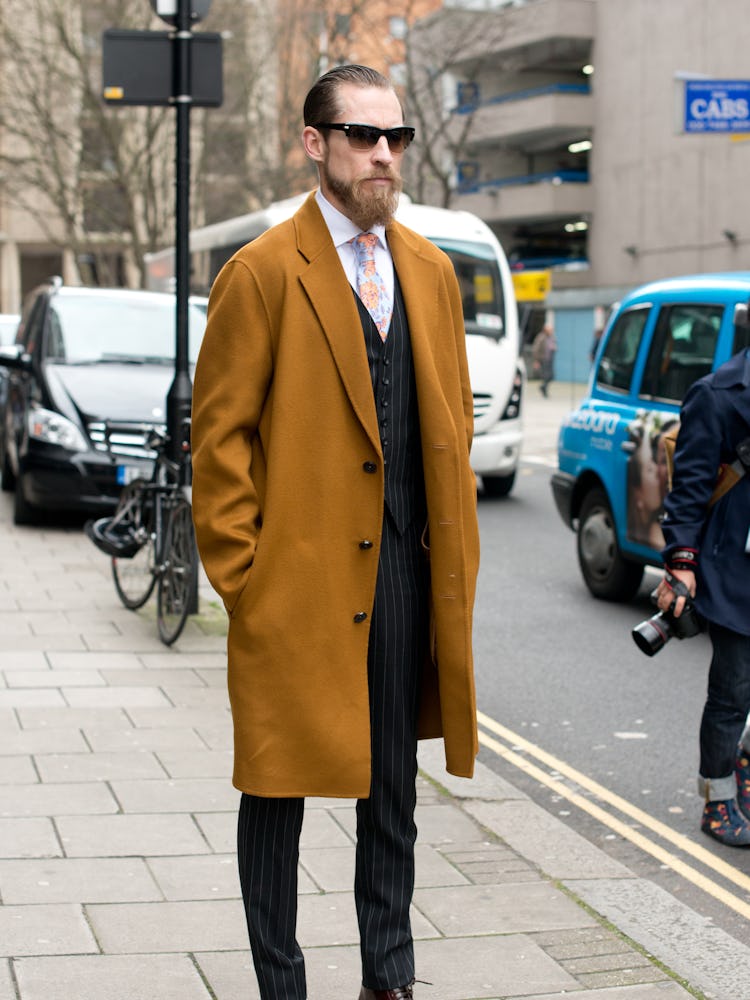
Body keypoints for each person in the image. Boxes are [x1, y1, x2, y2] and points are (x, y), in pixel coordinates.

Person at [190, 64, 480, 999]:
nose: (383, 155)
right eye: (362, 136)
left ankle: (386, 978)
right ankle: (282, 982)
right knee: (277, 792)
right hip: (298, 581)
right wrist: (248, 579)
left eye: (396, 138)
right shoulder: (264, 272)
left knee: (392, 792)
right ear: (316, 145)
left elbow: (453, 425)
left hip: (403, 574)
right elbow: (220, 442)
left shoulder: (432, 273)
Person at [655, 346, 750, 847]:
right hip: (736, 569)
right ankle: (718, 800)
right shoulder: (715, 396)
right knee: (733, 693)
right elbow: (688, 490)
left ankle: (745, 775)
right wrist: (683, 565)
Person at [532, 324, 556, 396]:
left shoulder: (552, 337)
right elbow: (536, 349)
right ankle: (544, 390)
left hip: (550, 359)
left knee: (551, 376)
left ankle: (543, 387)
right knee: (546, 375)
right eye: (550, 330)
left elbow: (553, 345)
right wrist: (536, 360)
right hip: (543, 359)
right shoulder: (541, 337)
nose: (551, 331)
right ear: (546, 330)